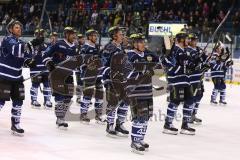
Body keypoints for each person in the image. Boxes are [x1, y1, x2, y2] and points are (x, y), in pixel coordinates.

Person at [0, 20, 43, 135]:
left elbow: (25, 58)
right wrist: (32, 43)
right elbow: (16, 50)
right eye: (17, 27)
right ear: (10, 29)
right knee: (1, 101)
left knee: (19, 101)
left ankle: (15, 123)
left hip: (17, 77)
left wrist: (30, 62)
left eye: (20, 27)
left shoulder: (22, 42)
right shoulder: (7, 40)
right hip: (4, 76)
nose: (19, 29)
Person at [127, 33, 159, 154]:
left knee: (146, 116)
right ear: (134, 44)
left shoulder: (146, 54)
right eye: (140, 42)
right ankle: (134, 141)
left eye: (143, 42)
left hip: (147, 90)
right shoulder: (129, 55)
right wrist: (143, 71)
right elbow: (127, 74)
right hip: (136, 92)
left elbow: (158, 64)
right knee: (139, 117)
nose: (143, 44)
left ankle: (140, 139)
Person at [161, 32, 196, 135]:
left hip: (185, 80)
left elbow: (188, 65)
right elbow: (165, 61)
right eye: (187, 39)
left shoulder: (184, 51)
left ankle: (185, 125)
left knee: (190, 100)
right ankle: (168, 125)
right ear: (181, 40)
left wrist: (196, 61)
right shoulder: (174, 49)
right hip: (176, 80)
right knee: (175, 101)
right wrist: (176, 67)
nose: (188, 41)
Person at [43, 27, 77, 129]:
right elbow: (45, 54)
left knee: (68, 97)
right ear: (66, 34)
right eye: (71, 34)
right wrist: (49, 63)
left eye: (74, 34)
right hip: (57, 75)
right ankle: (60, 118)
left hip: (69, 75)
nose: (74, 36)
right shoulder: (58, 44)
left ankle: (62, 115)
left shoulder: (74, 47)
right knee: (60, 97)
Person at [102, 26, 130, 136]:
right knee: (113, 103)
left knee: (125, 102)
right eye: (120, 34)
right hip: (112, 79)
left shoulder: (121, 48)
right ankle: (110, 125)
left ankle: (119, 125)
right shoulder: (109, 47)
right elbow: (104, 64)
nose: (122, 36)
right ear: (114, 36)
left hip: (122, 80)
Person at [79, 29, 105, 124]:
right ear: (89, 37)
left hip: (98, 74)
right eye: (94, 35)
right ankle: (83, 115)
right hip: (88, 75)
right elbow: (82, 61)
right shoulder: (85, 47)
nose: (96, 37)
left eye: (96, 35)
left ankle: (98, 115)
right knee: (88, 95)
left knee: (100, 95)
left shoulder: (97, 47)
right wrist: (92, 59)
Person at [186, 33, 209, 124]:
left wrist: (206, 58)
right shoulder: (187, 50)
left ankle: (193, 114)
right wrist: (197, 57)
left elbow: (204, 60)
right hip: (191, 77)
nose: (194, 41)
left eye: (195, 40)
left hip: (199, 76)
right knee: (192, 96)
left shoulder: (199, 49)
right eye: (192, 40)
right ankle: (188, 115)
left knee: (199, 95)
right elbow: (189, 62)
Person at [30, 28, 52, 109]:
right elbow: (28, 55)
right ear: (35, 35)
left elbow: (49, 56)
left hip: (45, 69)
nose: (41, 36)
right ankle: (34, 100)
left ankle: (47, 101)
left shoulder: (47, 45)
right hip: (35, 69)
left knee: (47, 85)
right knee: (35, 85)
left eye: (42, 34)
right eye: (39, 34)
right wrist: (35, 51)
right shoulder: (32, 45)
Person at [75, 33, 85, 104]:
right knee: (79, 83)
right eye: (79, 38)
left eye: (82, 38)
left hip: (85, 68)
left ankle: (85, 98)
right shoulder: (75, 47)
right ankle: (78, 97)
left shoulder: (85, 46)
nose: (81, 39)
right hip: (78, 68)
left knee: (85, 83)